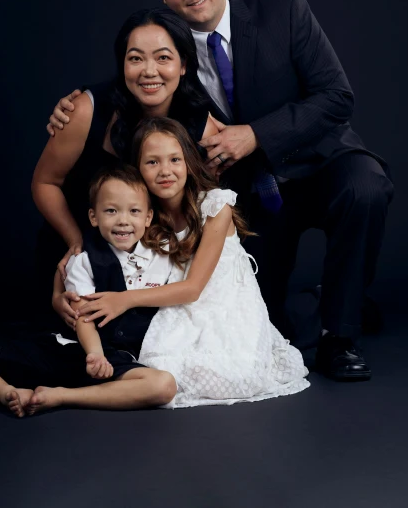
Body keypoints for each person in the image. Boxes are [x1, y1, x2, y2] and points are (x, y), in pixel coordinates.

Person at [47, 0, 394, 381]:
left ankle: (340, 335)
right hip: (247, 188)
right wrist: (73, 107)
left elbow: (336, 97)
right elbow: (138, 80)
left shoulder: (286, 12)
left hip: (321, 160)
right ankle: (326, 299)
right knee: (257, 321)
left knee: (365, 188)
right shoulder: (171, 47)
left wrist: (254, 134)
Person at [75, 117, 310, 407]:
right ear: (138, 169)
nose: (165, 171)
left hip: (220, 304)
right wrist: (63, 293)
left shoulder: (215, 206)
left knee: (229, 373)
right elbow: (98, 253)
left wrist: (124, 300)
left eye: (175, 159)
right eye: (152, 163)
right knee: (157, 365)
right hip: (174, 308)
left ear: (188, 163)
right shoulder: (143, 215)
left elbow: (194, 288)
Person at [0, 165, 177, 416]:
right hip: (70, 349)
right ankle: (6, 392)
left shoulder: (162, 253)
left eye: (134, 211)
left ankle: (61, 396)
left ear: (148, 217)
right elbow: (82, 315)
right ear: (94, 217)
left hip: (114, 358)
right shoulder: (84, 259)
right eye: (111, 211)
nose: (123, 220)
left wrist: (102, 359)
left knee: (163, 385)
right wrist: (94, 355)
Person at [31, 5, 220, 325]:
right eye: (135, 58)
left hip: (150, 276)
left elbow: (205, 210)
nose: (149, 71)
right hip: (75, 262)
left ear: (184, 64)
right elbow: (44, 183)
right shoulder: (84, 110)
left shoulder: (202, 129)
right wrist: (77, 242)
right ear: (122, 64)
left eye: (163, 57)